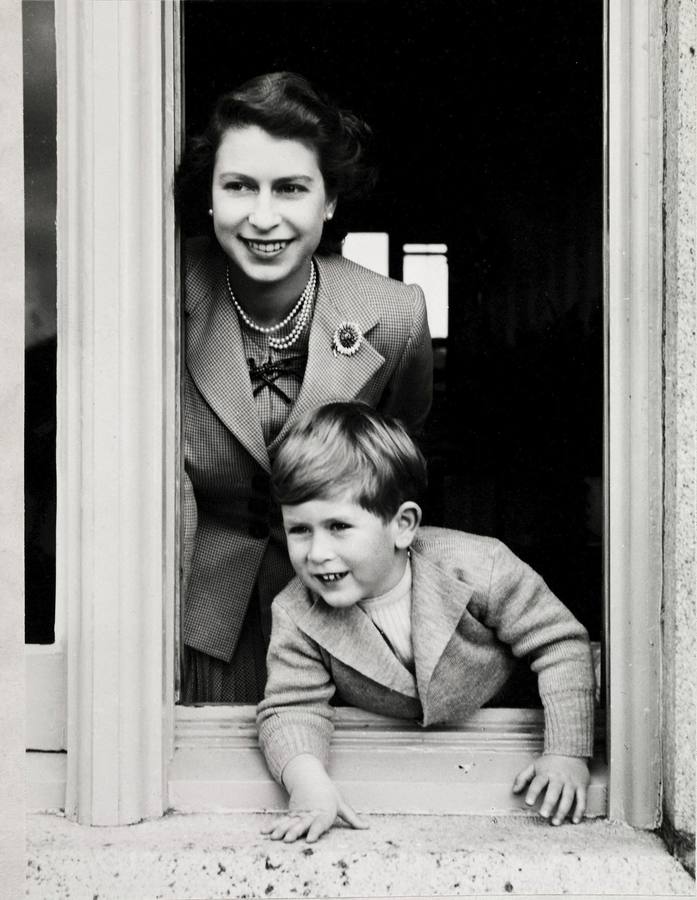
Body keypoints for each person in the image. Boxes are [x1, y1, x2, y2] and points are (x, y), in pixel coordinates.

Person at [174, 73, 433, 703]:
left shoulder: (395, 315)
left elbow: (396, 466)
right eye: (239, 187)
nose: (265, 217)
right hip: (202, 616)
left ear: (330, 201)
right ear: (210, 197)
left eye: (291, 188)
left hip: (344, 613)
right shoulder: (166, 292)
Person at [257, 401, 595, 842]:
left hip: (504, 746)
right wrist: (309, 784)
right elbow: (291, 707)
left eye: (338, 526)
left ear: (403, 525)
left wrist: (567, 754)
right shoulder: (296, 611)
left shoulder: (480, 566)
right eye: (300, 530)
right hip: (401, 765)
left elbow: (561, 644)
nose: (317, 552)